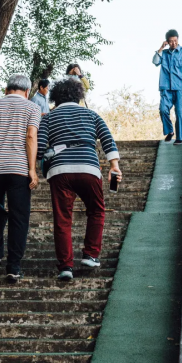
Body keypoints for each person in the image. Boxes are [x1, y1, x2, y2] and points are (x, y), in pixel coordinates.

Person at [37, 77, 121, 282]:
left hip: (60, 171)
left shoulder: (49, 118)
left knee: (62, 219)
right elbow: (107, 139)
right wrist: (114, 166)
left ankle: (66, 266)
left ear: (55, 98)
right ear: (79, 96)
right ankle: (90, 255)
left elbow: (39, 147)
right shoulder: (91, 114)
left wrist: (41, 161)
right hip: (88, 168)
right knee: (96, 210)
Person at [0, 73, 41, 283]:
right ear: (27, 91)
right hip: (18, 169)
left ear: (6, 90)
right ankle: (13, 267)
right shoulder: (32, 108)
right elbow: (30, 136)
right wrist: (32, 169)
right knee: (18, 216)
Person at [152, 30, 182, 145]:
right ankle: (170, 131)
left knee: (180, 112)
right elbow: (155, 61)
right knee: (163, 110)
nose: (173, 43)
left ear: (178, 39)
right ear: (167, 41)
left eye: (175, 40)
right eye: (171, 41)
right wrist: (161, 48)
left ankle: (179, 137)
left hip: (180, 87)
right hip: (166, 87)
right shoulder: (164, 53)